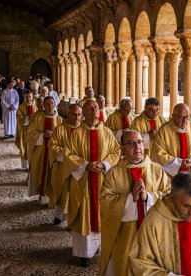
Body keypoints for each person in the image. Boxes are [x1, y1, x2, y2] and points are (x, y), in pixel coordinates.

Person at [99, 130, 171, 276]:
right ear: (123, 148)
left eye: (139, 142)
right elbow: (105, 201)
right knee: (123, 266)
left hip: (153, 232)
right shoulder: (113, 173)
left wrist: (148, 198)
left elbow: (170, 196)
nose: (137, 147)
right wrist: (130, 198)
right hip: (125, 235)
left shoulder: (157, 170)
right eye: (131, 143)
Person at [63, 100, 120, 267]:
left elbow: (116, 152)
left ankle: (106, 248)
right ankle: (84, 253)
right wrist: (85, 165)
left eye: (96, 107)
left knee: (105, 213)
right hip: (83, 182)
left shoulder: (107, 132)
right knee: (85, 215)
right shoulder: (75, 133)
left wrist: (105, 164)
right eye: (90, 107)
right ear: (84, 113)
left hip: (103, 180)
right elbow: (67, 154)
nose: (94, 109)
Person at [150, 103, 191, 178]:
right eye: (181, 117)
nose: (185, 121)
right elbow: (158, 154)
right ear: (173, 116)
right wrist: (179, 163)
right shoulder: (164, 130)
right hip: (171, 176)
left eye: (187, 117)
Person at [48, 104, 82, 224]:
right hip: (62, 166)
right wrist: (67, 154)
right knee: (62, 191)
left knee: (74, 193)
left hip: (78, 168)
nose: (76, 117)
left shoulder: (83, 130)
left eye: (78, 114)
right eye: (73, 114)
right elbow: (52, 146)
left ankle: (72, 219)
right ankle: (59, 215)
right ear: (68, 114)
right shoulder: (59, 129)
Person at [26, 96, 62, 204]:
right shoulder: (36, 117)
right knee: (40, 172)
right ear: (43, 106)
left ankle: (52, 198)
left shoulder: (59, 120)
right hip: (41, 151)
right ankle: (43, 196)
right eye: (47, 104)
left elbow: (64, 137)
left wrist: (54, 136)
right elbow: (30, 134)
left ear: (55, 104)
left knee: (53, 174)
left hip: (54, 152)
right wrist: (42, 135)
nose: (50, 106)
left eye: (52, 103)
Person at [15, 90, 37, 169]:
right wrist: (27, 119)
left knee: (34, 147)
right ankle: (26, 165)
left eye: (30, 97)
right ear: (25, 97)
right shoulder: (21, 107)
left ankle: (33, 164)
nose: (28, 98)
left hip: (34, 131)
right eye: (27, 97)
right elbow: (18, 117)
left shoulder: (36, 106)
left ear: (32, 97)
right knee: (24, 147)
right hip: (24, 131)